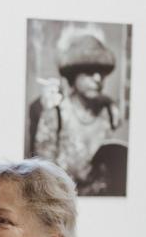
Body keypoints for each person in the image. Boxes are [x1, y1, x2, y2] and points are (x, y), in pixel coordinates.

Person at [29, 33, 126, 195]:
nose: (98, 78)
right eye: (89, 72)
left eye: (102, 72)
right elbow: (42, 173)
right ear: (74, 75)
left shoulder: (111, 111)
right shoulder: (56, 113)